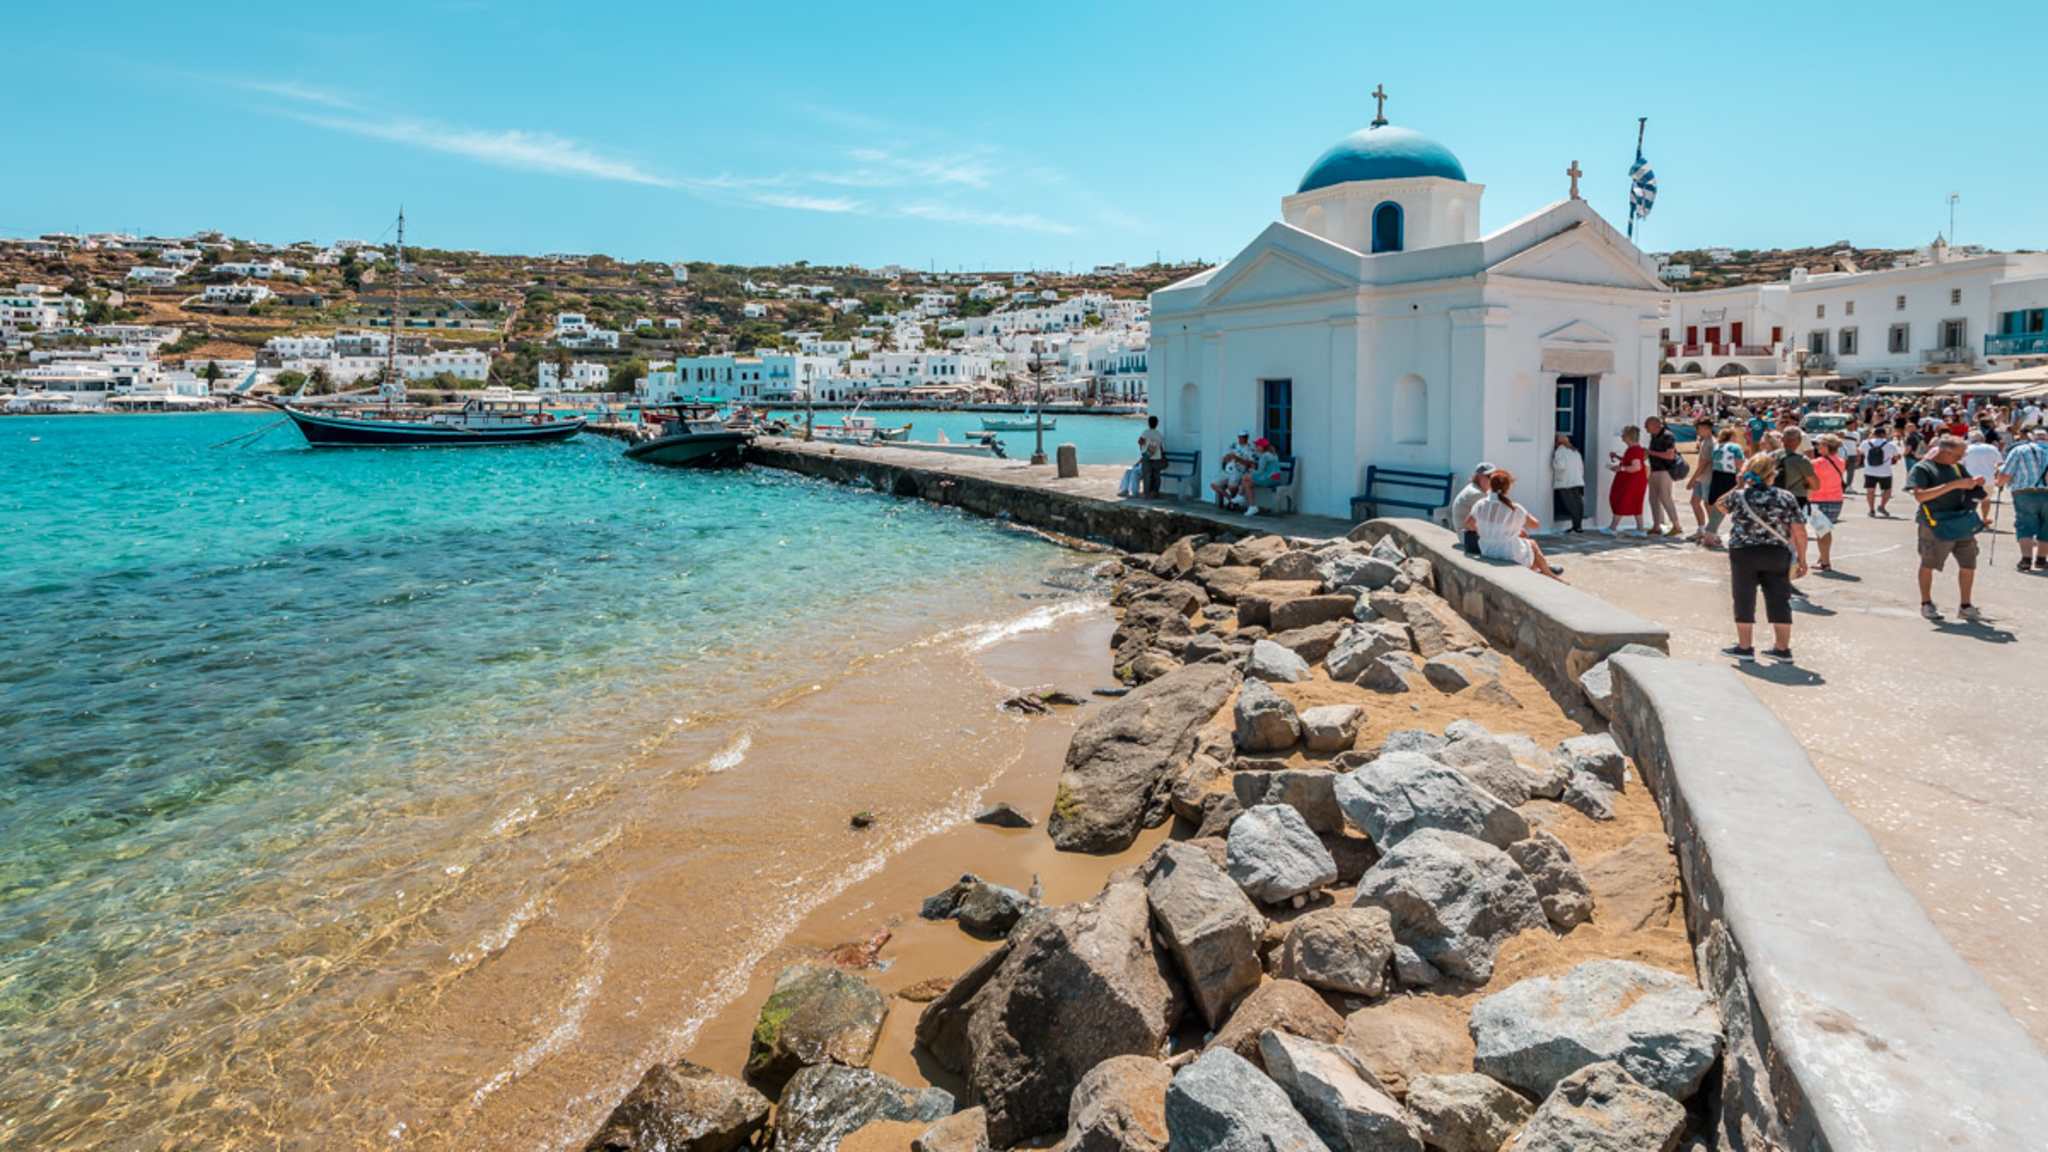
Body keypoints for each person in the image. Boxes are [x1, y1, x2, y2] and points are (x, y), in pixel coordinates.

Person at [1716, 452, 1808, 662]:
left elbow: (1719, 505)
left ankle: (1745, 646)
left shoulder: (1739, 496)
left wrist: (1739, 485)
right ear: (1772, 474)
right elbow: (1799, 531)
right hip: (1777, 552)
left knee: (1744, 597)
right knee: (1779, 599)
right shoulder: (1786, 497)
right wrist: (1802, 559)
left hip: (1744, 552)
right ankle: (1782, 648)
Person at [1907, 434, 1987, 621]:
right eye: (1958, 454)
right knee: (1929, 563)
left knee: (1969, 564)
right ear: (1944, 451)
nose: (1961, 458)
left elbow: (1965, 485)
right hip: (1935, 523)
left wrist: (1975, 482)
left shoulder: (1957, 467)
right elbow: (1920, 496)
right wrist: (1953, 485)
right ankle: (1926, 603)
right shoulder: (1923, 468)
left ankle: (1965, 605)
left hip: (1961, 522)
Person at [1465, 468, 1564, 579]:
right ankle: (1549, 573)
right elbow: (1535, 524)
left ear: (1491, 485)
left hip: (1487, 549)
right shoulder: (1514, 508)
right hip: (1508, 552)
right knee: (1531, 544)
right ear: (1508, 488)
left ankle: (1544, 569)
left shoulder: (1480, 504)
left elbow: (1469, 523)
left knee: (1525, 544)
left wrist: (1486, 532)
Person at [1997, 427, 2048, 572]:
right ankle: (2041, 559)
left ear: (2031, 437)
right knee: (2047, 526)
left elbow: (2006, 473)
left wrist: (1999, 484)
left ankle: (2026, 559)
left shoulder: (2020, 450)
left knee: (2025, 524)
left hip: (2024, 493)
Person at [1810, 433, 1850, 573]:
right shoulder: (1840, 461)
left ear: (1826, 446)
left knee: (1822, 533)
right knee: (1824, 531)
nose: (1817, 447)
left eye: (1819, 444)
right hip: (1836, 500)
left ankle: (1825, 563)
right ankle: (1823, 558)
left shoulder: (1816, 463)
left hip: (1818, 501)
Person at [1701, 424, 1745, 548]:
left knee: (1718, 509)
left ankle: (1709, 537)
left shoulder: (1716, 446)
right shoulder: (1735, 447)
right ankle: (1740, 537)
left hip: (1717, 478)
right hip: (1730, 479)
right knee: (1740, 509)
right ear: (1731, 436)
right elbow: (1739, 464)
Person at [1602, 426, 1649, 535]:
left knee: (1621, 500)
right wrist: (1618, 457)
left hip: (1630, 482)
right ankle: (1640, 529)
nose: (1622, 437)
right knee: (1636, 503)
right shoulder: (1638, 449)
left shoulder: (1633, 450)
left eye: (1623, 435)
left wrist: (1620, 468)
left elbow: (1636, 467)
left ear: (1628, 437)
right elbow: (1631, 462)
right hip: (1637, 481)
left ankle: (1612, 528)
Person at [1642, 415, 1683, 536]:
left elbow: (1670, 455)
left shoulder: (1667, 435)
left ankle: (1676, 526)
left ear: (1655, 425)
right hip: (1654, 470)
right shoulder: (1653, 436)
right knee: (1653, 499)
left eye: (1647, 425)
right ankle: (1656, 526)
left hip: (1665, 471)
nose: (1645, 428)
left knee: (1665, 498)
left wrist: (1650, 452)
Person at [1451, 462, 1496, 554]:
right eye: (1490, 477)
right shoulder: (1477, 494)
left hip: (1468, 535)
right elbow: (1489, 520)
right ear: (1480, 477)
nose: (1493, 480)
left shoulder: (1474, 488)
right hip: (1470, 538)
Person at [1961, 429, 2002, 522]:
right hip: (1988, 479)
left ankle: (1969, 520)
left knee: (1970, 501)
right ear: (1983, 439)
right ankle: (1984, 518)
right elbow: (2000, 464)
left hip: (1971, 479)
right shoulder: (1992, 448)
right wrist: (1998, 476)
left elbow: (1961, 464)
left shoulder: (1967, 448)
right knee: (1986, 500)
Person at [1686, 418, 1716, 541]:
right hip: (1701, 477)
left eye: (1698, 428)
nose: (1697, 430)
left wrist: (1692, 479)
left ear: (1706, 429)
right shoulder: (1704, 441)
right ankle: (1701, 530)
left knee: (1708, 504)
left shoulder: (1711, 442)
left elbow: (1704, 463)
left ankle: (1712, 532)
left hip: (1707, 477)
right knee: (1694, 502)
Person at [1550, 434, 1586, 533]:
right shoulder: (1575, 451)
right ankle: (1578, 526)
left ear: (1558, 442)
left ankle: (1576, 527)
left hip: (1565, 481)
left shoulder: (1560, 451)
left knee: (1570, 504)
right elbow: (1581, 467)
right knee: (1578, 503)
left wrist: (1553, 461)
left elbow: (1560, 466)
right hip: (1577, 480)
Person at [1861, 427, 1900, 516]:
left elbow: (1860, 452)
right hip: (1885, 472)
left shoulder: (1866, 443)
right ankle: (1882, 507)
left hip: (1869, 471)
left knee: (1870, 491)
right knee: (1887, 491)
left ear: (1874, 434)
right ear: (1884, 434)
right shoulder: (1890, 445)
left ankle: (1871, 510)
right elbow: (1896, 457)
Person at [1210, 432, 1254, 510]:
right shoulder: (1233, 445)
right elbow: (1225, 457)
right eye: (1239, 437)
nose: (1240, 439)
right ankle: (1231, 500)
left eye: (1242, 437)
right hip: (1227, 470)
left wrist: (1238, 459)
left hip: (1238, 471)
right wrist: (1226, 458)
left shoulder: (1250, 449)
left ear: (1246, 438)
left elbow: (1250, 464)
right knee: (1214, 484)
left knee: (1232, 487)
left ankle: (1233, 502)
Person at [1242, 437, 1284, 517]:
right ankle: (1251, 506)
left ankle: (1242, 497)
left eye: (1257, 445)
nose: (1256, 447)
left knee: (1245, 477)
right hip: (1275, 479)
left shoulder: (1264, 456)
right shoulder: (1273, 454)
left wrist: (1252, 470)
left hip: (1270, 479)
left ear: (1262, 447)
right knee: (1248, 484)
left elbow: (1259, 472)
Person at [1137, 415, 1166, 498]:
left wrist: (1142, 450)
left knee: (1147, 475)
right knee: (1157, 476)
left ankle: (1147, 493)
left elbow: (1140, 442)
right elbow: (1161, 447)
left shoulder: (1145, 432)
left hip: (1147, 457)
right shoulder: (1159, 434)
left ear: (1148, 423)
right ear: (1157, 424)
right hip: (1157, 457)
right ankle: (1155, 492)